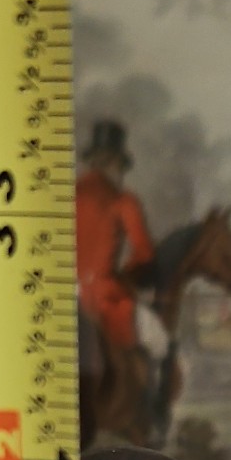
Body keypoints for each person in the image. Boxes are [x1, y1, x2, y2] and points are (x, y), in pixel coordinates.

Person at [75, 120, 155, 351]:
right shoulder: (124, 201)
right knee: (158, 342)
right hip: (104, 300)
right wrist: (126, 278)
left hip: (59, 295)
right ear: (114, 163)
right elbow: (144, 254)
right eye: (121, 167)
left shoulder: (67, 195)